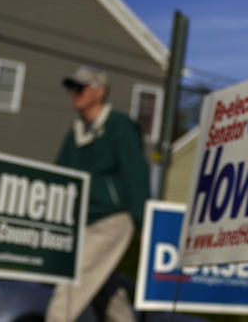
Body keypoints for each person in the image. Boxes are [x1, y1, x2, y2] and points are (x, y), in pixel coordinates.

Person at [46, 65, 150, 322]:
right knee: (109, 296)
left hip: (111, 220)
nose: (74, 93)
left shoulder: (119, 127)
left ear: (99, 91)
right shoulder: (76, 132)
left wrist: (143, 224)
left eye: (79, 88)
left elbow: (136, 176)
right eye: (71, 88)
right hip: (83, 224)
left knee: (69, 292)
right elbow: (61, 176)